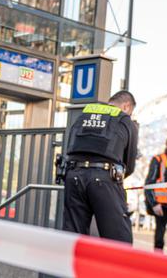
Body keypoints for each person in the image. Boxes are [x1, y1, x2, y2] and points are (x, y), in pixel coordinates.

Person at [62, 91, 139, 243]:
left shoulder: (84, 115)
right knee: (118, 239)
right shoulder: (124, 120)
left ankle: (69, 267)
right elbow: (129, 164)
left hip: (73, 175)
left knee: (73, 238)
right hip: (103, 179)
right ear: (126, 106)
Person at [144, 134, 167, 252]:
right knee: (160, 236)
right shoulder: (158, 159)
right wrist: (154, 203)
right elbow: (149, 183)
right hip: (161, 204)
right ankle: (157, 260)